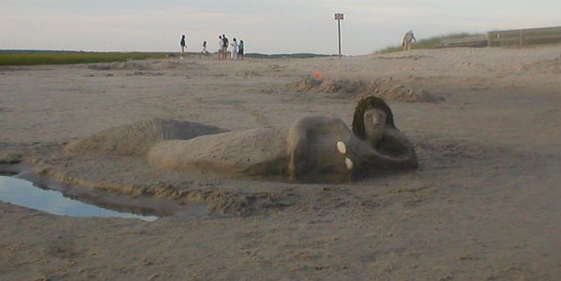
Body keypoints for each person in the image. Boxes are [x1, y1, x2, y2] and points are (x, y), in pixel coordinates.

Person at [144, 96, 418, 182]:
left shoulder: (381, 160)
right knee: (197, 154)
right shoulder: (338, 126)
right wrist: (297, 145)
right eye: (370, 117)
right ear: (359, 119)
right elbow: (302, 124)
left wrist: (393, 131)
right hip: (271, 144)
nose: (376, 123)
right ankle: (161, 145)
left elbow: (409, 157)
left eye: (382, 118)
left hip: (276, 165)